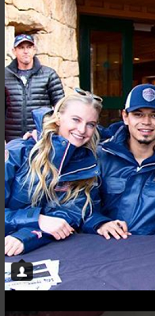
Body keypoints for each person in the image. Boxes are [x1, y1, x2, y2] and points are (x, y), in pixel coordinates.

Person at [4, 89, 103, 256]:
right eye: (75, 119)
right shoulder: (19, 152)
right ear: (58, 118)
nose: (82, 129)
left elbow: (67, 216)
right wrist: (37, 219)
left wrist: (27, 235)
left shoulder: (86, 163)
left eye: (90, 124)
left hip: (39, 248)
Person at [82, 84, 155, 239]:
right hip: (108, 246)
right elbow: (83, 203)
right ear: (125, 117)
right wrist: (100, 223)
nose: (146, 122)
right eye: (138, 114)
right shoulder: (101, 156)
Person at [5, 34, 65, 142]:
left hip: (40, 137)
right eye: (21, 47)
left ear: (34, 50)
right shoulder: (4, 75)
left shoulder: (49, 74)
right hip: (13, 139)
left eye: (29, 47)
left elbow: (61, 107)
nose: (25, 51)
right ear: (14, 51)